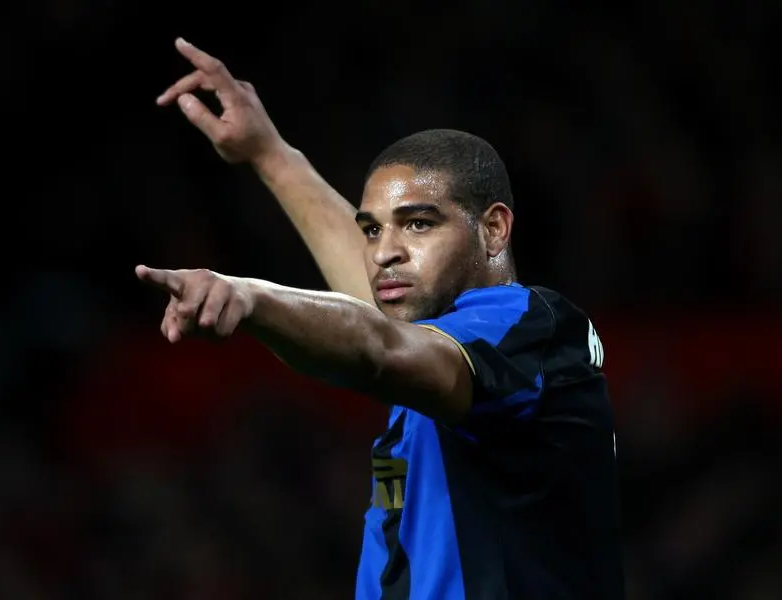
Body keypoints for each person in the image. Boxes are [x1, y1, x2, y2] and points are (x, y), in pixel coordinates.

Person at [140, 37, 625, 600]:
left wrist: (251, 298)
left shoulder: (526, 327)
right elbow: (381, 322)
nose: (382, 253)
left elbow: (379, 349)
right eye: (372, 229)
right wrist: (269, 153)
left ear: (493, 229)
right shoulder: (441, 334)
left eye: (419, 223)